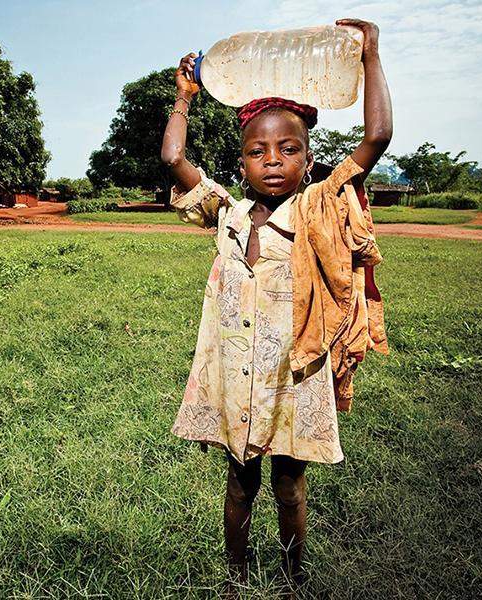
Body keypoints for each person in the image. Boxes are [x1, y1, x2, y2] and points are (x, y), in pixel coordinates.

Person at [160, 18, 392, 592]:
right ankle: (236, 576)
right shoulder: (228, 213)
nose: (272, 160)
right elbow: (172, 157)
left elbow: (377, 137)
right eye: (257, 151)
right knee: (240, 484)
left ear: (308, 160)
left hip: (295, 376)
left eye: (287, 149)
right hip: (238, 377)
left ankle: (294, 575)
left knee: (290, 487)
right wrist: (184, 98)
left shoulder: (317, 206)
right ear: (241, 164)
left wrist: (371, 57)